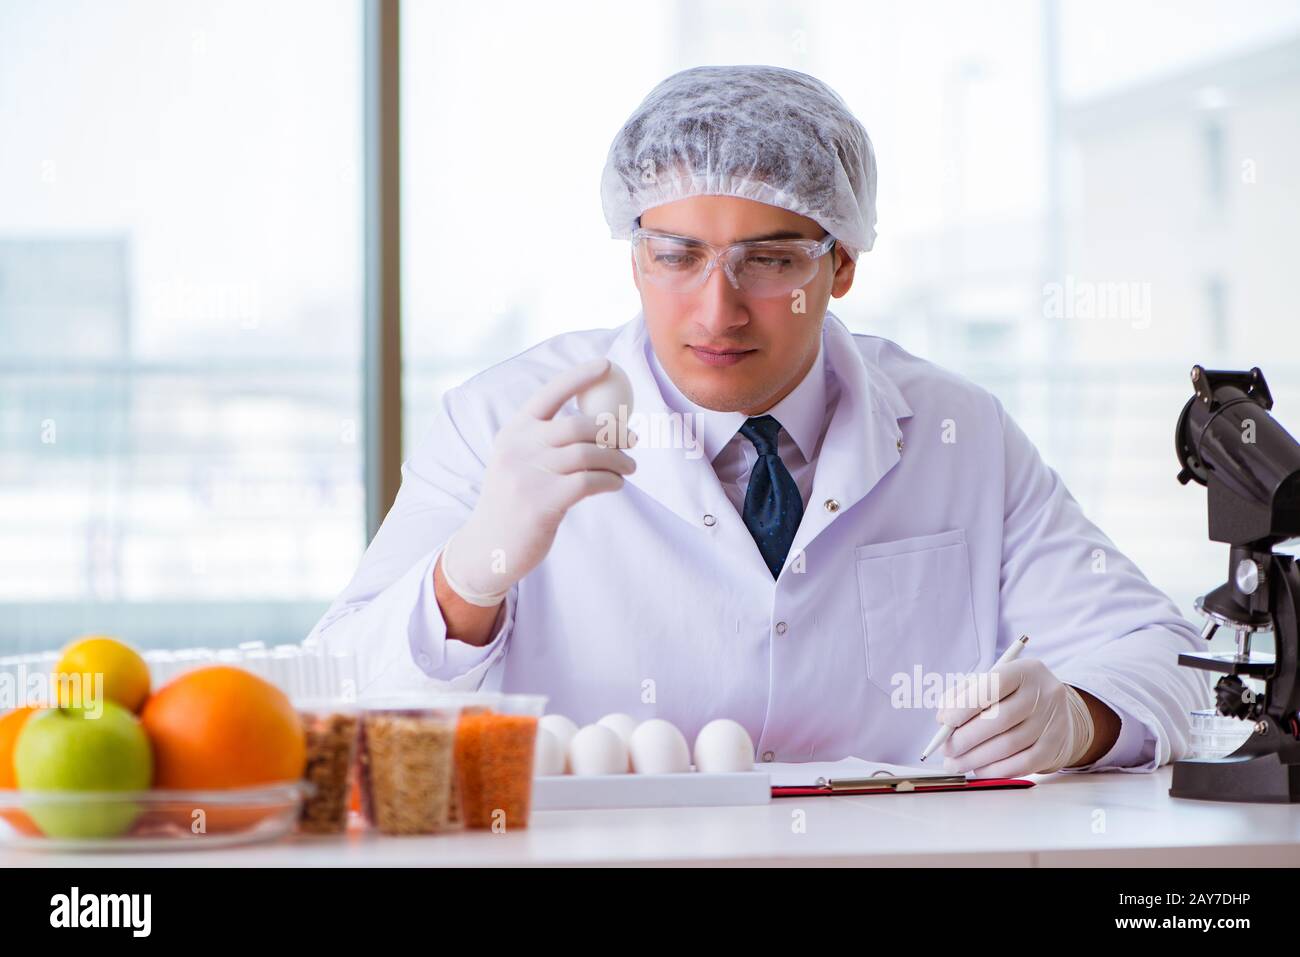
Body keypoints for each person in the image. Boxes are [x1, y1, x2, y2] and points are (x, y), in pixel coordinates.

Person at [308, 65, 1210, 778]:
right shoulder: (499, 421)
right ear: (634, 259)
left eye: (769, 261)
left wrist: (1080, 719)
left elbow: (1161, 653)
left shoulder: (956, 431)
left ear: (842, 264)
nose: (717, 312)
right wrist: (470, 575)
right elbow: (336, 695)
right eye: (677, 256)